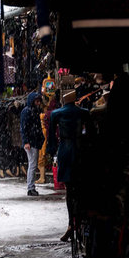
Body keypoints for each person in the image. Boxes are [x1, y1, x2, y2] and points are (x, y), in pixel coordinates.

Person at [47, 90, 90, 241]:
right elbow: (90, 133)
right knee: (80, 187)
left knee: (69, 189)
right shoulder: (84, 113)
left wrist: (52, 151)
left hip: (65, 150)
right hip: (80, 150)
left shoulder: (56, 114)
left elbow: (51, 137)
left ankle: (71, 223)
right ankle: (79, 222)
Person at [20, 92, 45, 196]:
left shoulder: (33, 111)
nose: (38, 103)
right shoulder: (27, 111)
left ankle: (31, 187)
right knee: (32, 165)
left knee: (33, 164)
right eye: (37, 101)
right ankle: (30, 188)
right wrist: (26, 141)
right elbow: (24, 127)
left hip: (34, 141)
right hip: (31, 142)